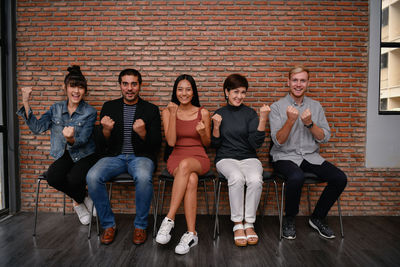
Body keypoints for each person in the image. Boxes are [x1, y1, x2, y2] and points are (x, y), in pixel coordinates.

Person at [269, 65, 347, 240]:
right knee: (297, 177)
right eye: (295, 80)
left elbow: (324, 137)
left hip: (311, 156)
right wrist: (290, 121)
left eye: (302, 80)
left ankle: (317, 217)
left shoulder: (316, 106)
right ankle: (289, 219)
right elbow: (278, 141)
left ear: (308, 83)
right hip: (284, 156)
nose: (298, 84)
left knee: (340, 178)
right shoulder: (277, 107)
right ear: (288, 82)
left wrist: (310, 124)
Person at [86, 69, 161, 245]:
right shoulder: (109, 107)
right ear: (120, 85)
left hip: (141, 157)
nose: (129, 88)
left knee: (143, 177)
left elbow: (156, 144)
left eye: (134, 84)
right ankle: (108, 225)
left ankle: (140, 226)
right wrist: (105, 130)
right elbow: (101, 145)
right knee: (92, 176)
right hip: (114, 157)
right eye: (125, 84)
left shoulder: (151, 110)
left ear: (139, 86)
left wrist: (142, 133)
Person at [17, 65, 98, 225]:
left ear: (85, 90)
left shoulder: (90, 112)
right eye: (73, 86)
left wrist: (70, 139)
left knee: (74, 179)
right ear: (65, 87)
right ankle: (80, 199)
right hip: (65, 154)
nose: (77, 91)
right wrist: (26, 102)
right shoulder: (55, 108)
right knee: (53, 177)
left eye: (81, 87)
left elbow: (83, 140)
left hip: (85, 154)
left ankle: (78, 199)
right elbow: (38, 128)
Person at [211, 74, 269, 247]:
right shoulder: (219, 114)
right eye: (235, 92)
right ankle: (237, 224)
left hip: (249, 158)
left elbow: (255, 144)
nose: (239, 96)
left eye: (243, 92)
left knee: (255, 179)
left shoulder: (250, 113)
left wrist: (263, 119)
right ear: (226, 92)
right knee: (236, 177)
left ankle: (249, 223)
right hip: (225, 159)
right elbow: (215, 144)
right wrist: (215, 127)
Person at [155, 74, 211, 255]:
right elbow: (171, 142)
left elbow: (208, 143)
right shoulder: (167, 111)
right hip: (176, 158)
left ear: (193, 91)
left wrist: (202, 132)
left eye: (188, 89)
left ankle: (169, 219)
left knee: (188, 166)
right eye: (180, 89)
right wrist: (172, 114)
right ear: (175, 91)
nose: (184, 93)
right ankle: (191, 234)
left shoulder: (203, 112)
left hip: (198, 158)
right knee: (191, 180)